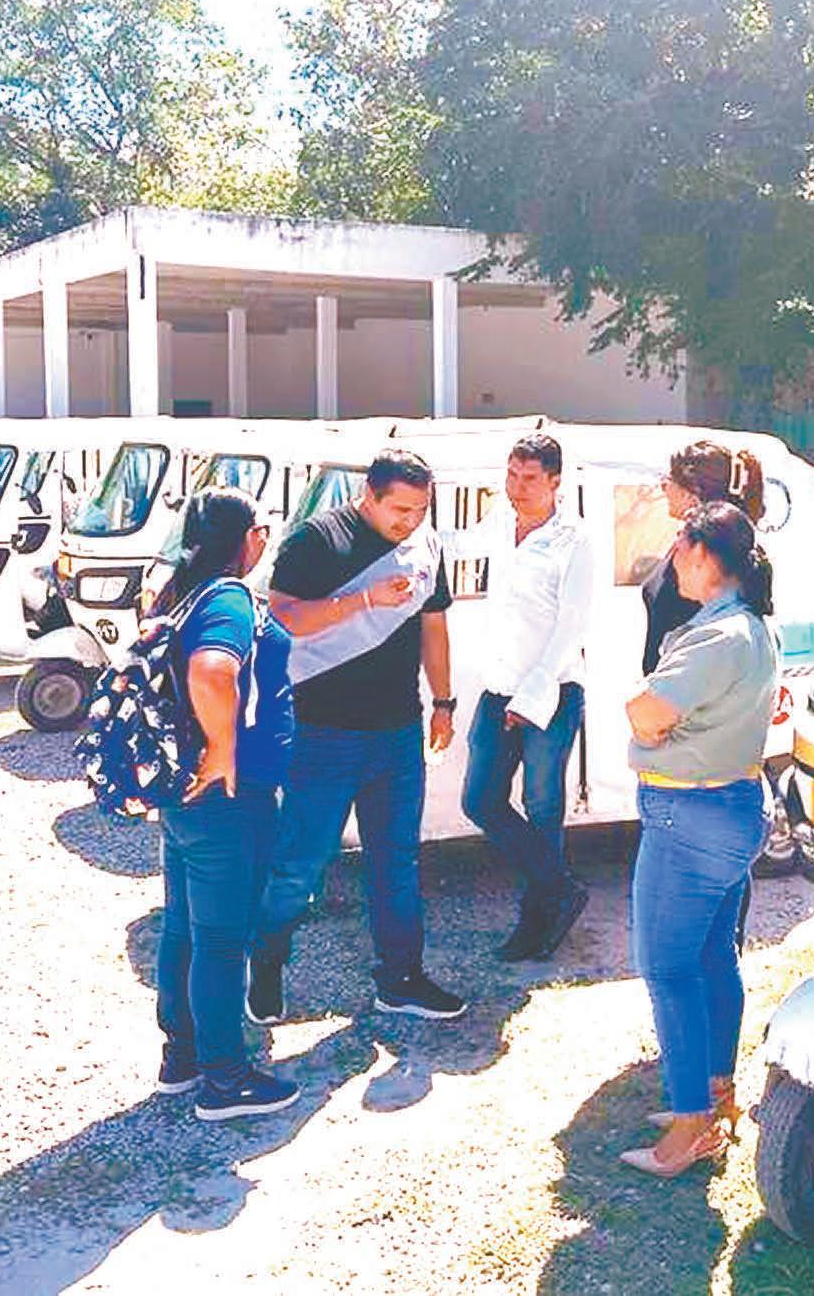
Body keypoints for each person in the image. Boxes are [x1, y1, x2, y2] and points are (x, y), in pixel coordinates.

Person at [247, 448, 467, 1023]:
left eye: (421, 511)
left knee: (397, 862)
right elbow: (283, 618)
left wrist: (443, 701)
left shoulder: (424, 545)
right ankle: (265, 963)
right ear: (369, 495)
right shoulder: (316, 540)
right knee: (301, 863)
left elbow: (434, 625)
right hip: (323, 733)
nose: (411, 522)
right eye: (400, 510)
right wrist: (364, 600)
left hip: (398, 730)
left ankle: (401, 979)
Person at [619, 502, 779, 1177]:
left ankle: (690, 1127)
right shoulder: (749, 627)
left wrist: (645, 716)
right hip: (729, 806)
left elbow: (647, 710)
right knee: (713, 957)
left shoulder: (718, 636)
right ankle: (713, 1099)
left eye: (678, 548)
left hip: (689, 814)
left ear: (705, 554)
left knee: (668, 967)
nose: (671, 562)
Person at [149, 489, 302, 1121]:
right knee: (220, 940)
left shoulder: (179, 591)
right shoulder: (229, 597)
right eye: (262, 528)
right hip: (228, 801)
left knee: (184, 928)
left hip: (185, 797)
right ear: (249, 538)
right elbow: (212, 671)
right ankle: (224, 1080)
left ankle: (182, 1057)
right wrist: (223, 749)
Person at [460, 432, 594, 961]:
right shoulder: (500, 520)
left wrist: (532, 696)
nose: (516, 487)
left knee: (543, 807)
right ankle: (560, 889)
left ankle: (537, 920)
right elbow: (458, 544)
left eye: (529, 478)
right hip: (500, 687)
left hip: (551, 692)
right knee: (480, 800)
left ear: (555, 481)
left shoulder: (574, 540)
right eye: (511, 475)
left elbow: (571, 628)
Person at [641, 441, 765, 675]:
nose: (663, 487)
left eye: (669, 480)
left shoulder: (709, 556)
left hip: (691, 686)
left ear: (692, 495)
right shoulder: (690, 546)